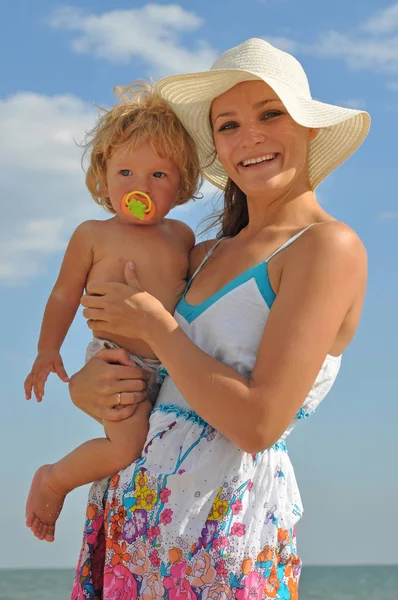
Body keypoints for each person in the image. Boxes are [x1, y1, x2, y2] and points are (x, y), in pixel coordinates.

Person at [70, 38, 370, 599]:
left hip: (220, 528)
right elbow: (152, 370)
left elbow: (257, 425)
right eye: (228, 125)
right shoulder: (201, 253)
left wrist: (157, 323)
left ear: (309, 127)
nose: (249, 135)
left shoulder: (327, 247)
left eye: (270, 113)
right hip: (133, 515)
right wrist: (88, 388)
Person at [23, 82, 202, 543]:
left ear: (182, 184)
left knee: (159, 452)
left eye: (158, 176)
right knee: (126, 447)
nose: (139, 186)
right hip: (117, 358)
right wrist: (48, 350)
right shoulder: (93, 234)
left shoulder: (182, 236)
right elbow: (64, 294)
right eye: (125, 172)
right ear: (103, 177)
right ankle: (55, 479)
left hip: (172, 363)